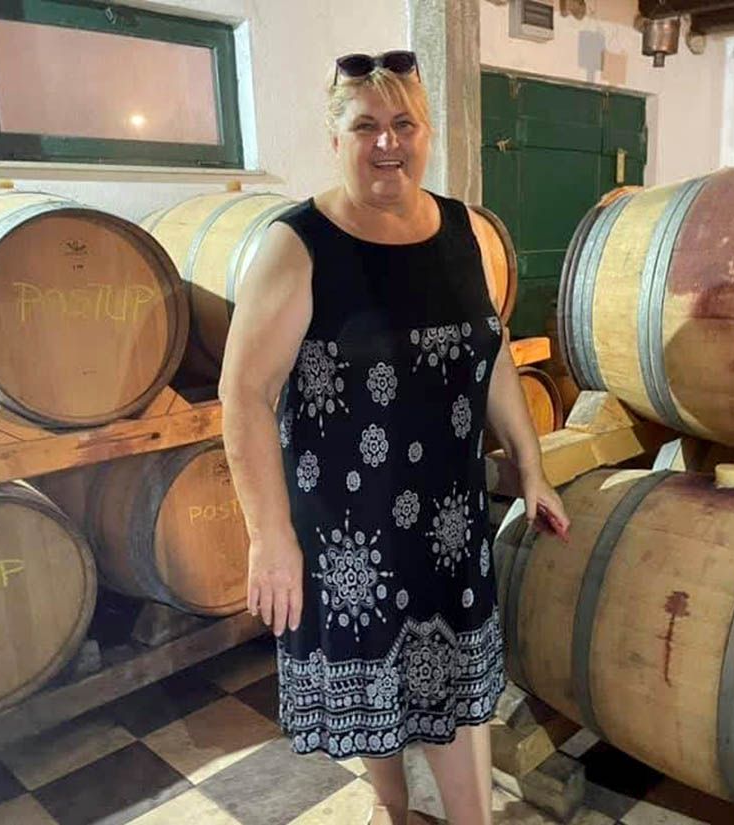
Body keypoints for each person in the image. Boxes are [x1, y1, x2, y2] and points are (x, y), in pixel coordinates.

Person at [219, 49, 570, 825]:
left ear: (427, 133)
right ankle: (392, 806)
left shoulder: (462, 229)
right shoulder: (299, 243)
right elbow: (244, 394)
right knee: (378, 683)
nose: (388, 141)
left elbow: (492, 353)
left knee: (456, 688)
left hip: (447, 517)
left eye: (404, 123)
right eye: (365, 125)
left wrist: (531, 466)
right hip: (349, 527)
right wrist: (269, 534)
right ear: (335, 139)